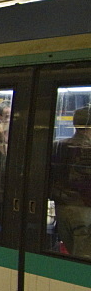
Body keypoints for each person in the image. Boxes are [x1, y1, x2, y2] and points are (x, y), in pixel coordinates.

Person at [50, 105, 91, 257]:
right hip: (85, 212)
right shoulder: (88, 149)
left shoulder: (57, 146)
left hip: (62, 211)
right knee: (83, 262)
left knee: (72, 258)